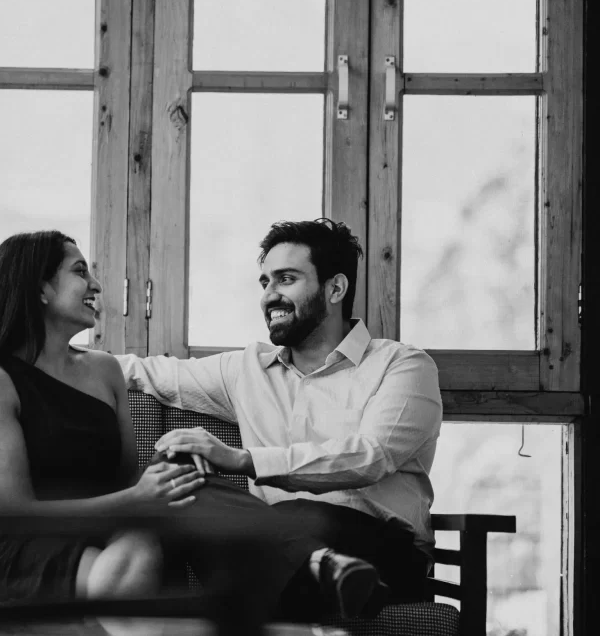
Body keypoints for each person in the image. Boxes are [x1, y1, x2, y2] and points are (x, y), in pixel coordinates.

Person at [0, 229, 388, 631]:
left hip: (114, 529)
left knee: (177, 474)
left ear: (335, 288)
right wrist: (138, 499)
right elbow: (19, 510)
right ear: (38, 288)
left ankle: (307, 582)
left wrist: (159, 481)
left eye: (286, 279)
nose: (97, 286)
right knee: (125, 577)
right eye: (81, 272)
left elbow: (125, 475)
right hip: (28, 544)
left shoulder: (104, 371)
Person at [117, 218, 443, 617]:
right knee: (178, 469)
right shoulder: (246, 369)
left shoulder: (402, 365)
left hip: (381, 551)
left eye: (286, 279)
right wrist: (39, 355)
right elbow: (145, 371)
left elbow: (371, 456)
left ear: (335, 288)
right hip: (269, 545)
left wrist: (245, 460)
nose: (269, 295)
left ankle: (299, 578)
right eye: (265, 283)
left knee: (291, 518)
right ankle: (321, 573)